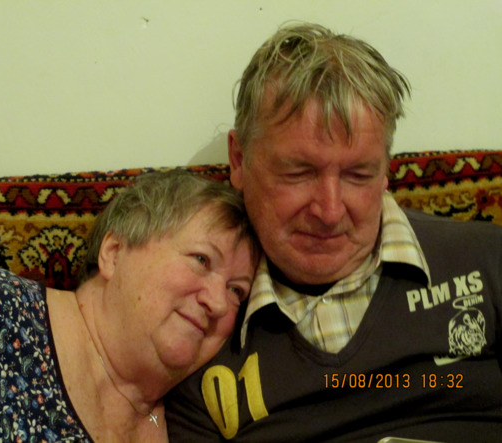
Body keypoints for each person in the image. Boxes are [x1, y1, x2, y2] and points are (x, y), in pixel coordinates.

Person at [165, 22, 502, 442]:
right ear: (238, 160)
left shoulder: (488, 261)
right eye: (298, 173)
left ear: (386, 171)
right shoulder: (198, 329)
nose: (329, 211)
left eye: (358, 175)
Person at [0, 170, 259, 442]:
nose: (218, 303)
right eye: (201, 259)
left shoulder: (199, 420)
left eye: (236, 291)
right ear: (114, 253)